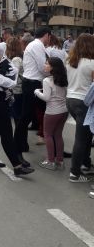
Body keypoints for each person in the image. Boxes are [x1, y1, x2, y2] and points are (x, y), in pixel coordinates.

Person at [0, 38, 34, 177]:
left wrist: (10, 77)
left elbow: (12, 69)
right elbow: (4, 81)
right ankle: (17, 166)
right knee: (6, 132)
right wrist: (12, 81)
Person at [14, 27, 51, 165]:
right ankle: (17, 149)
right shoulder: (37, 45)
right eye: (49, 37)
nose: (49, 39)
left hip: (33, 83)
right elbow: (43, 68)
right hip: (32, 84)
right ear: (46, 35)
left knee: (46, 115)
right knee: (26, 118)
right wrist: (55, 73)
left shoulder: (36, 45)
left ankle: (54, 149)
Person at [66, 33, 94, 183]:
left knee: (86, 135)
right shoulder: (91, 63)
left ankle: (85, 164)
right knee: (81, 139)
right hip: (85, 103)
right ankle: (75, 173)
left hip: (71, 99)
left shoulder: (70, 61)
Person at [34, 57, 68, 170]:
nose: (44, 65)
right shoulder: (63, 78)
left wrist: (37, 92)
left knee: (48, 135)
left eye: (47, 64)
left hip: (52, 111)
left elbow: (47, 98)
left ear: (52, 67)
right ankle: (60, 160)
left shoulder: (47, 80)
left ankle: (50, 161)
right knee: (58, 135)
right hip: (63, 110)